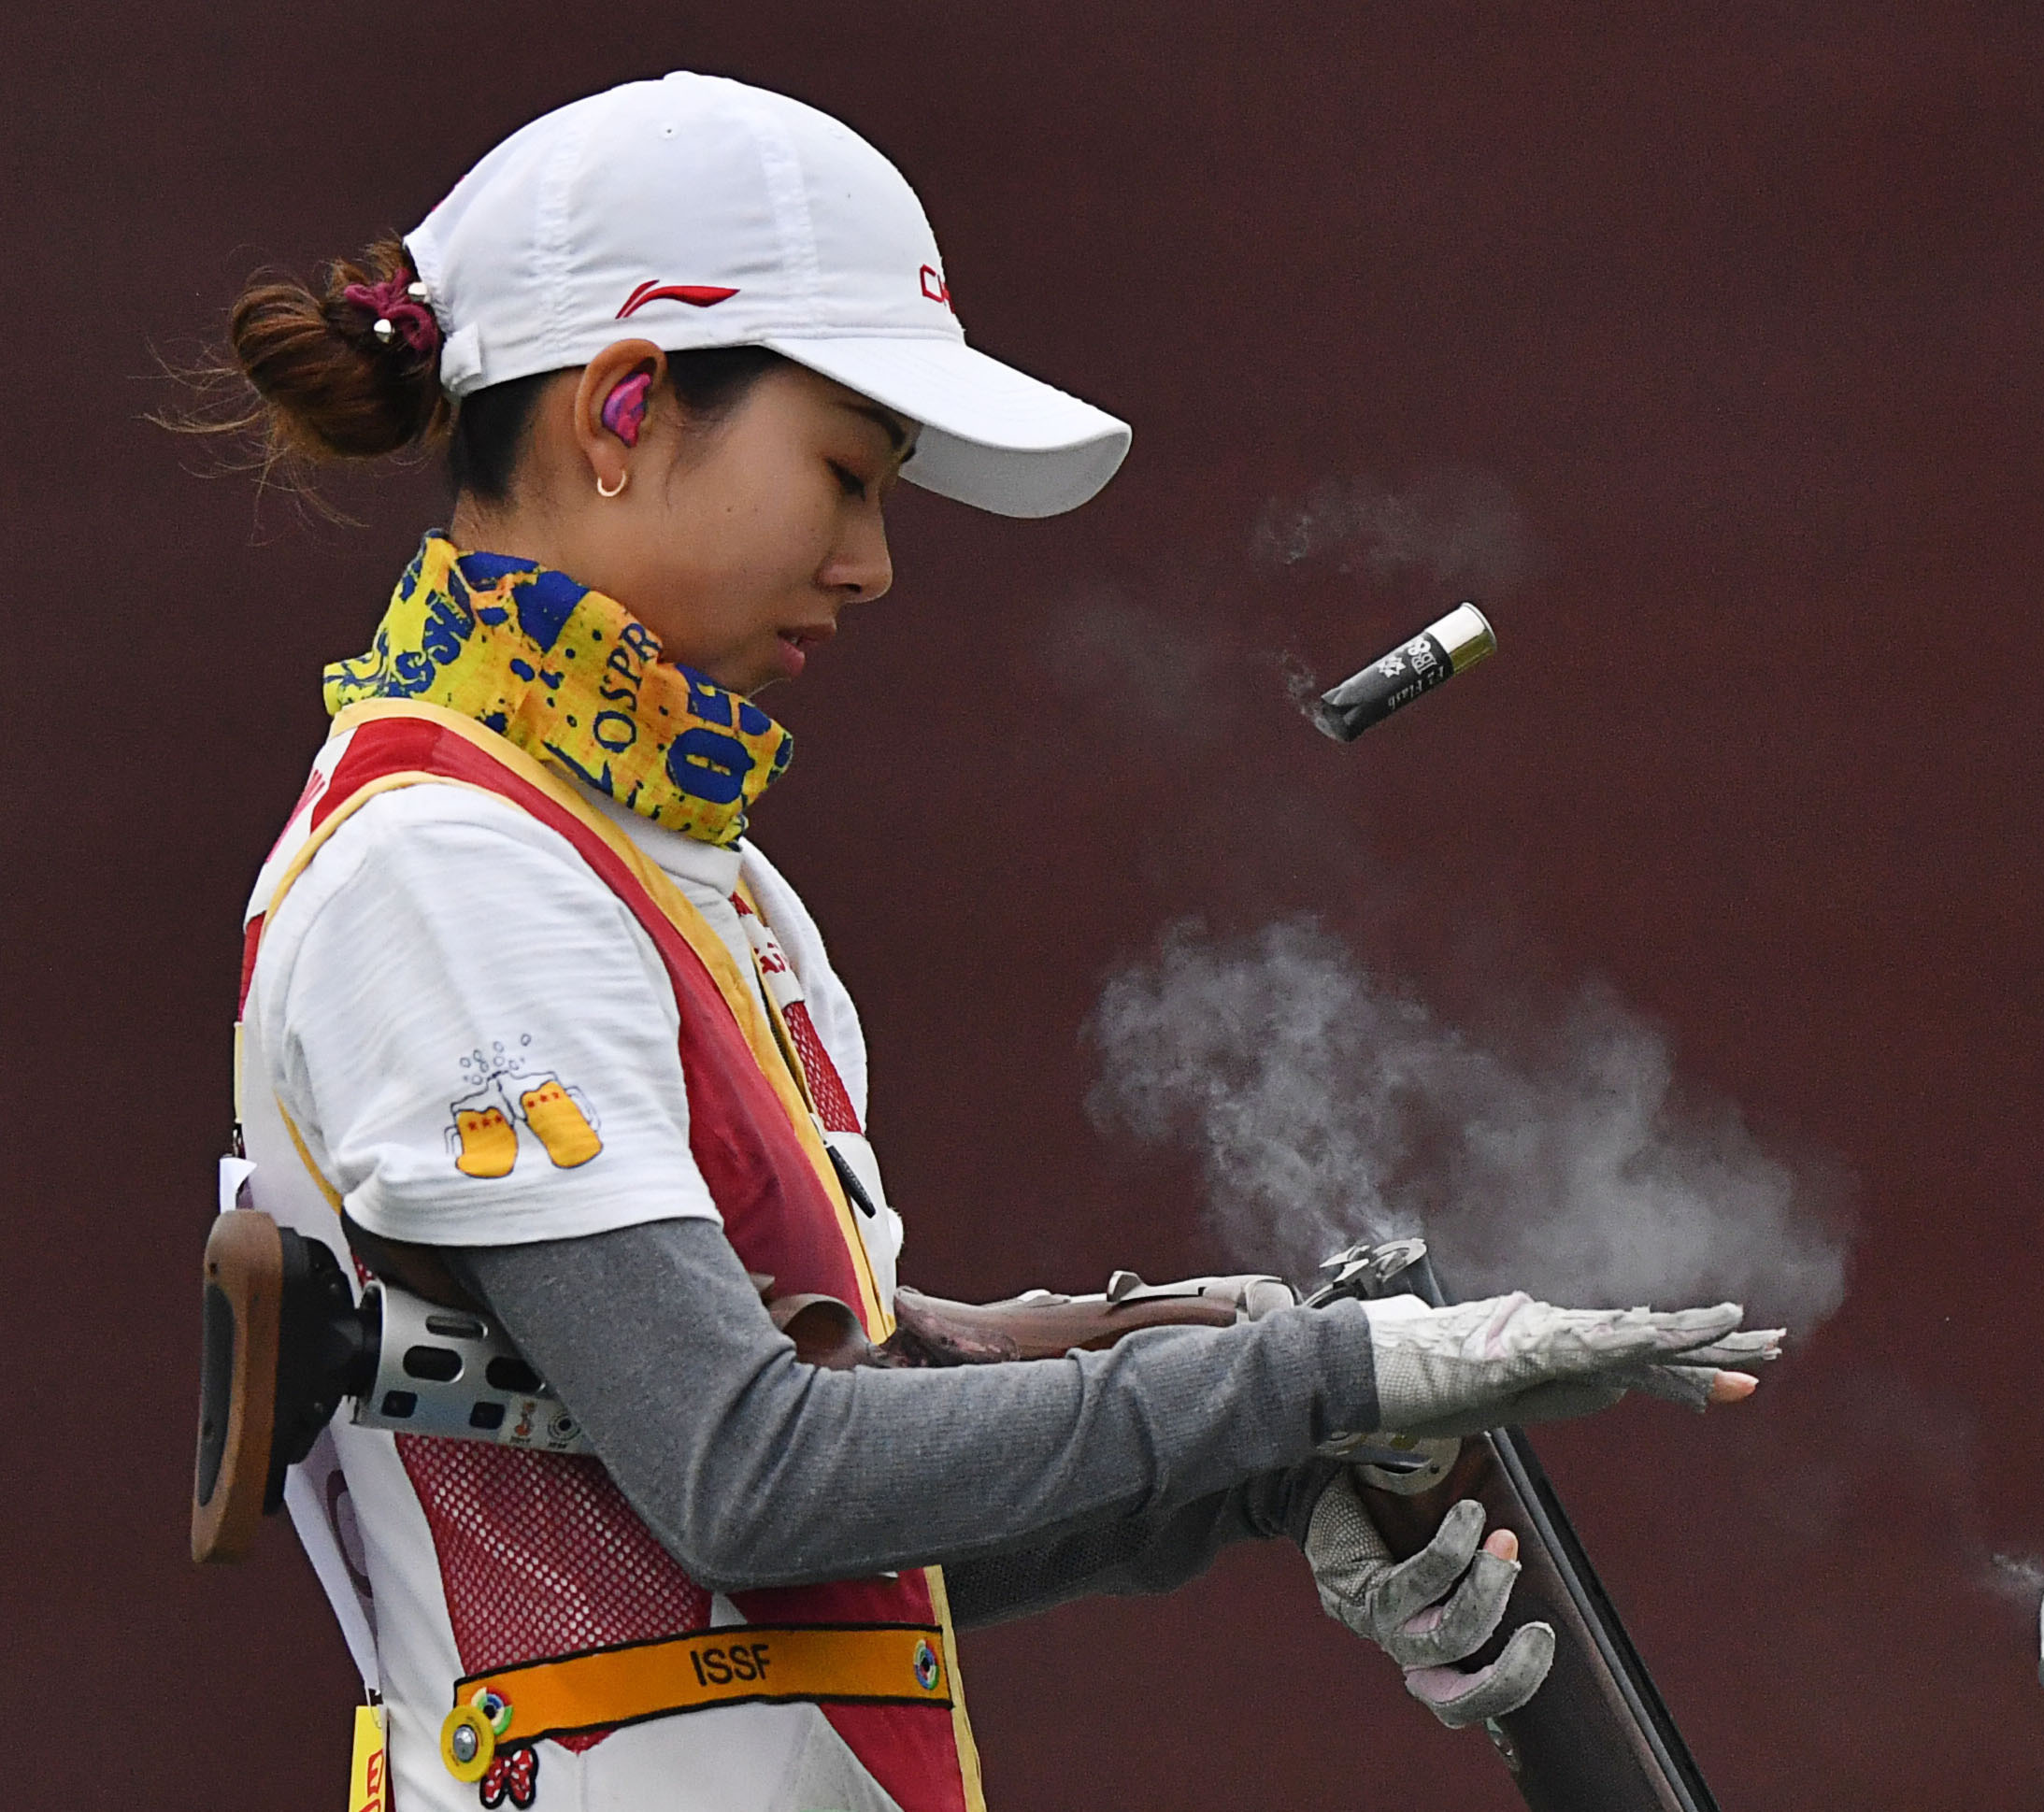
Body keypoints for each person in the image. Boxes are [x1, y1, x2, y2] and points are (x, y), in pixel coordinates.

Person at [209, 73, 1770, 1812]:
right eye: (844, 476)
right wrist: (1316, 1378)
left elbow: (811, 1566)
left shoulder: (674, 875)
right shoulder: (454, 863)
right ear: (626, 406)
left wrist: (1263, 1466)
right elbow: (756, 1476)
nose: (873, 564)